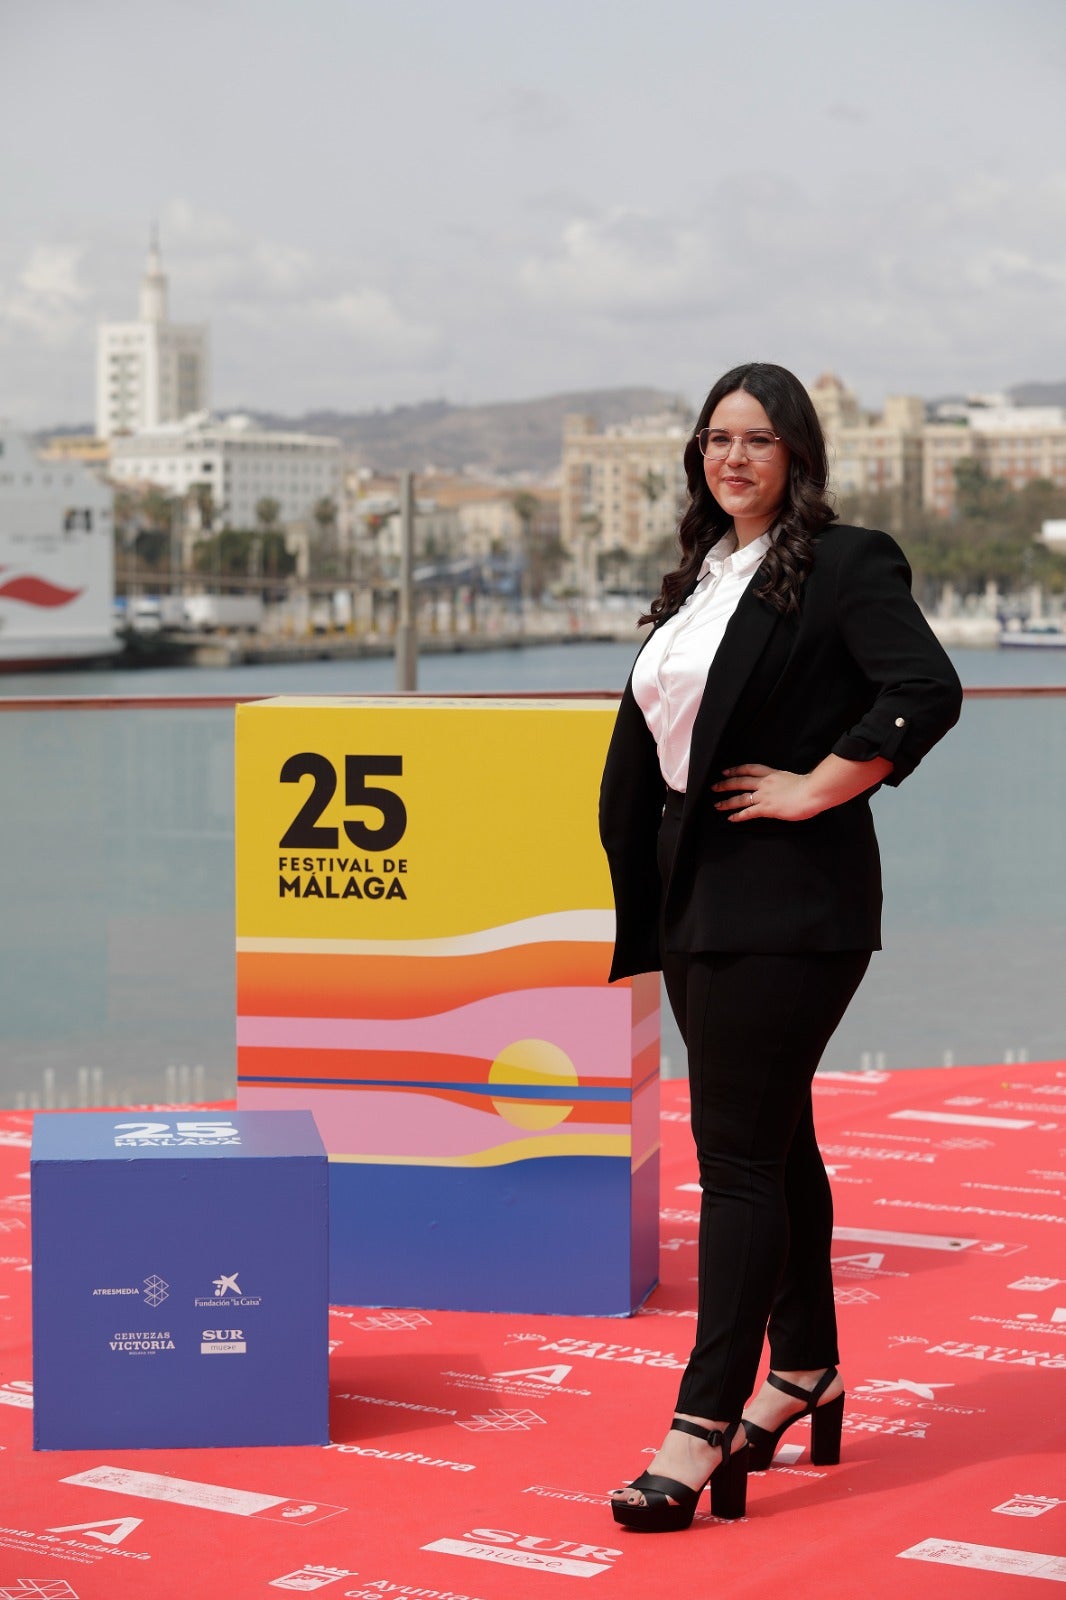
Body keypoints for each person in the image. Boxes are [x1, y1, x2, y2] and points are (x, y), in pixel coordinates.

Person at [599, 361, 962, 1533]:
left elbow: (924, 688)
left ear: (796, 454)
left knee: (737, 1159)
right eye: (716, 438)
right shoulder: (699, 577)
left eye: (758, 438)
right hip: (696, 898)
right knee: (770, 1135)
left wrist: (818, 786)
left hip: (789, 905)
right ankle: (805, 1370)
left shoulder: (844, 561)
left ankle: (699, 1425)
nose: (734, 457)